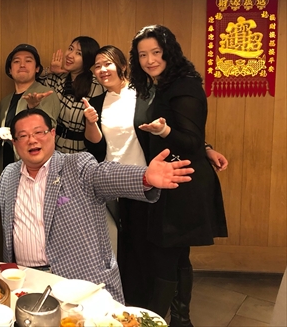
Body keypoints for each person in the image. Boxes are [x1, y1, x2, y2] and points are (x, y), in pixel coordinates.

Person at [0, 108, 195, 303]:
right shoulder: (10, 175)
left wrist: (144, 177)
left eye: (38, 132)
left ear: (52, 134)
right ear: (15, 143)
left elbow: (106, 176)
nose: (32, 140)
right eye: (23, 136)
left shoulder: (77, 165)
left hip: (78, 282)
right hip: (25, 279)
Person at [85, 45, 229, 310]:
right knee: (126, 247)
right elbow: (95, 147)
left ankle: (167, 311)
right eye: (97, 66)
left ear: (123, 65)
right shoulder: (95, 103)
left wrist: (205, 148)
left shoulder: (145, 94)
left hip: (148, 181)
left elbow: (178, 127)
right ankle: (132, 304)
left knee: (161, 250)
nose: (102, 70)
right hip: (115, 184)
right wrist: (90, 122)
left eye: (108, 63)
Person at [128, 25, 228, 325]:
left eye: (156, 52)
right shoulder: (152, 86)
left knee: (167, 254)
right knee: (175, 254)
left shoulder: (185, 86)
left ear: (169, 52)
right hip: (163, 177)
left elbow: (191, 140)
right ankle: (180, 319)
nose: (149, 60)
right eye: (142, 55)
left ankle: (157, 320)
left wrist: (165, 131)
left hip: (182, 183)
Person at [0, 44, 60, 176]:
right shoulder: (5, 101)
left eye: (28, 61)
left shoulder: (46, 94)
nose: (22, 65)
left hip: (35, 173)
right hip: (8, 172)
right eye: (16, 61)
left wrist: (33, 107)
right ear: (10, 70)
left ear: (37, 68)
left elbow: (48, 131)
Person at [39, 36, 103, 154]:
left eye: (78, 53)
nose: (70, 55)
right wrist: (50, 70)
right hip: (54, 146)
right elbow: (32, 79)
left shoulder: (96, 86)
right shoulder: (58, 78)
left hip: (81, 150)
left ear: (87, 60)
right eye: (70, 49)